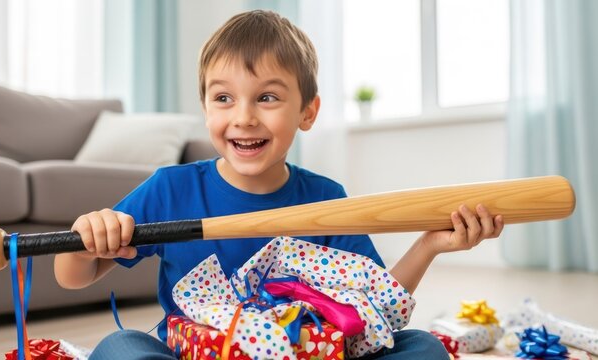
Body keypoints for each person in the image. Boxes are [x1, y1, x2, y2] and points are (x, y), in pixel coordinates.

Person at [54, 9, 504, 360]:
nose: (244, 116)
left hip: (308, 350)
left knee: (420, 346)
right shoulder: (170, 189)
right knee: (120, 347)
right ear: (206, 108)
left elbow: (376, 302)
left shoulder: (325, 198)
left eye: (267, 97)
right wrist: (86, 240)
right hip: (197, 352)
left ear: (308, 112)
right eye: (224, 98)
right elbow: (74, 278)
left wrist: (429, 246)